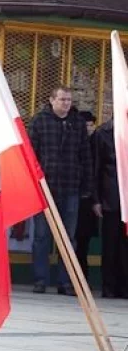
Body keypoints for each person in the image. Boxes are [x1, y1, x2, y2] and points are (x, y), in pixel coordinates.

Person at [28, 87, 92, 296]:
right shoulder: (39, 121)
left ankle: (66, 282)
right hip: (45, 187)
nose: (66, 103)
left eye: (69, 100)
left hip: (71, 186)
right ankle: (40, 280)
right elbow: (31, 155)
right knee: (41, 236)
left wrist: (86, 185)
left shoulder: (77, 123)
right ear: (52, 100)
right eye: (62, 99)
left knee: (68, 237)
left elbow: (86, 156)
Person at [92, 119, 128, 298]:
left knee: (125, 246)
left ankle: (124, 286)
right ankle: (109, 286)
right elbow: (96, 168)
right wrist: (96, 199)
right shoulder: (103, 133)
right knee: (111, 244)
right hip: (111, 197)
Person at [75, 110, 98, 281]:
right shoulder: (76, 143)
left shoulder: (98, 142)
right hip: (76, 195)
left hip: (90, 199)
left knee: (83, 240)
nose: (89, 128)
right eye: (86, 125)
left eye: (91, 125)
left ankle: (83, 276)